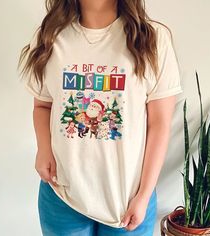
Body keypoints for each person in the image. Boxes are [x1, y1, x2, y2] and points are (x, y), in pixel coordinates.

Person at [18, 0, 183, 235]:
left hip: (127, 200)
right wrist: (43, 149)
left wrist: (144, 195)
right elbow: (42, 105)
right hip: (61, 194)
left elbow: (159, 124)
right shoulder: (49, 36)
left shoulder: (153, 39)